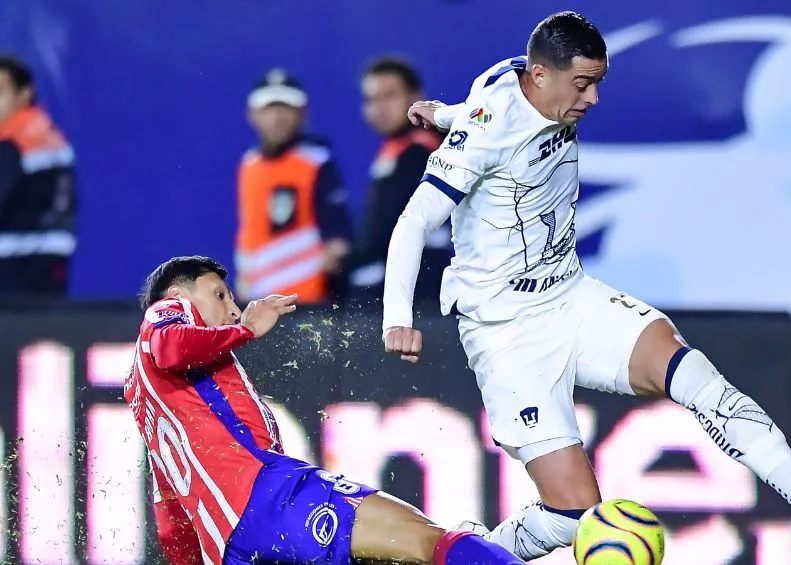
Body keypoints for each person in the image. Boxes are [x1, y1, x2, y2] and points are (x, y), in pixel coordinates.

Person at [381, 10, 791, 560]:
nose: (593, 98)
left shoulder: (509, 77)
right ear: (542, 74)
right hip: (505, 332)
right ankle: (466, 556)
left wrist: (447, 114)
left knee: (692, 373)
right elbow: (414, 221)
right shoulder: (485, 134)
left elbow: (484, 108)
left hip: (570, 296)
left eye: (598, 82)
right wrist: (397, 319)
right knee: (572, 515)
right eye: (582, 84)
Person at [125, 255, 525, 565]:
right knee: (429, 541)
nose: (232, 309)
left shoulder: (147, 398)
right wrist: (246, 329)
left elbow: (171, 520)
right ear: (178, 295)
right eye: (219, 295)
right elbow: (169, 346)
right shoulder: (164, 317)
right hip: (268, 497)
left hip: (230, 548)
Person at [236, 68, 352, 305]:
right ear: (252, 115)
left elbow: (338, 241)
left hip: (306, 304)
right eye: (269, 108)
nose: (277, 117)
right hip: (257, 304)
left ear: (302, 113)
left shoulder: (316, 161)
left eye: (286, 108)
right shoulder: (249, 165)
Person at [350, 57, 451, 303]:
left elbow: (387, 230)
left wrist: (344, 259)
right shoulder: (397, 148)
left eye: (389, 96)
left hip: (421, 297)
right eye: (371, 99)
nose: (380, 108)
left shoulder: (421, 151)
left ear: (416, 97)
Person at [0, 55, 76, 296]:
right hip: (51, 266)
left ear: (25, 93)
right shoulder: (49, 137)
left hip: (11, 270)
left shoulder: (12, 142)